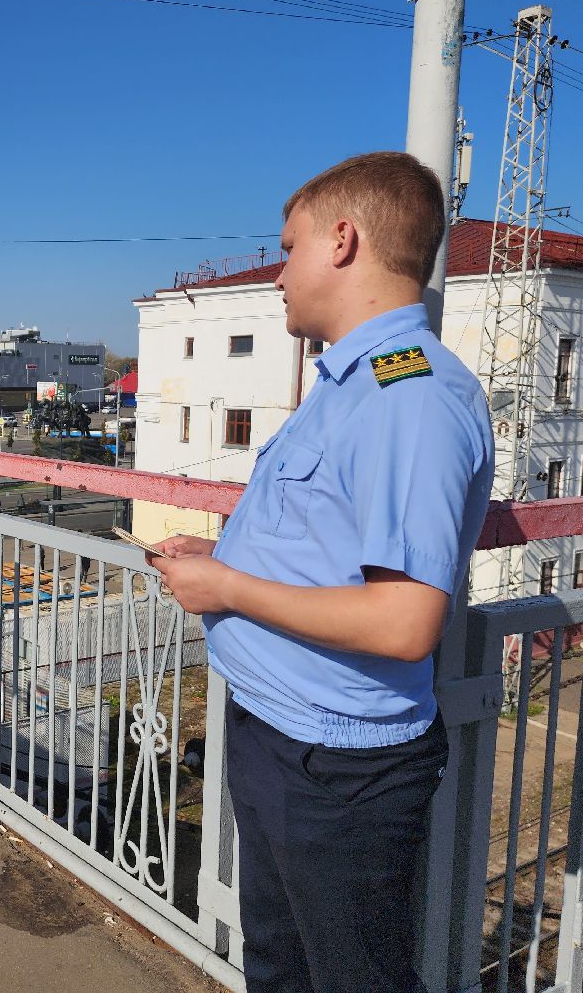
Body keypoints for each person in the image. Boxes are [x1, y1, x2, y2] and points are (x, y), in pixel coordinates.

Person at [149, 152, 495, 993]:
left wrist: (227, 589)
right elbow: (329, 542)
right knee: (281, 969)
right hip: (285, 742)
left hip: (337, 772)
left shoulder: (405, 397)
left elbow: (404, 620)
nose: (278, 275)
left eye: (289, 246)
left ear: (343, 242)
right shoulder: (352, 383)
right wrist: (224, 557)